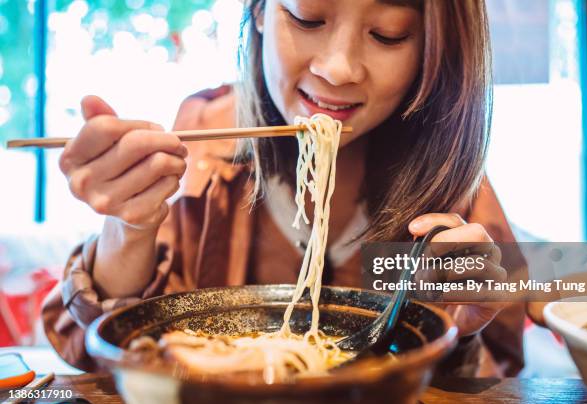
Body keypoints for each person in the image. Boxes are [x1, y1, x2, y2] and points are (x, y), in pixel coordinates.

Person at [43, 0, 525, 377]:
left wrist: (456, 333)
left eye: (387, 33)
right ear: (256, 11)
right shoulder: (204, 142)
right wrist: (128, 224)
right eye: (307, 17)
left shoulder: (452, 182)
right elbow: (104, 353)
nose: (338, 69)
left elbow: (505, 367)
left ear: (434, 48)